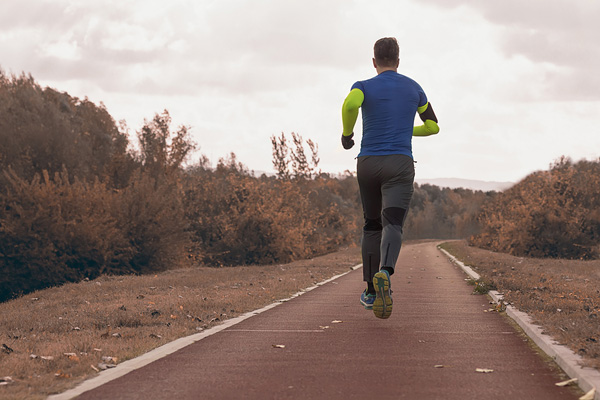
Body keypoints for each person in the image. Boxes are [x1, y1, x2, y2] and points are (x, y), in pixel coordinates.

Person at [341, 37, 439, 319]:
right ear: (398, 61)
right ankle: (386, 271)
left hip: (368, 163)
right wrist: (404, 131)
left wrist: (347, 135)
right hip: (399, 164)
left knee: (372, 225)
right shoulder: (414, 88)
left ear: (374, 62)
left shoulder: (363, 86)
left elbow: (350, 106)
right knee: (393, 222)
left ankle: (371, 291)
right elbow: (432, 127)